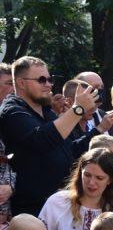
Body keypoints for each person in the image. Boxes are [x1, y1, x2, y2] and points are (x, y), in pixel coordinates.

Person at [0, 56, 98, 215]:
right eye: (41, 80)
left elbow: (71, 150)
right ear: (21, 83)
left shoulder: (47, 112)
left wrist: (100, 133)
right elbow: (42, 140)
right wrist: (78, 110)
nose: (48, 84)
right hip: (33, 211)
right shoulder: (12, 111)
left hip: (62, 205)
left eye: (49, 79)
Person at [61, 79, 113, 157]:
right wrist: (100, 129)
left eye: (93, 101)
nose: (93, 107)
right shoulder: (62, 127)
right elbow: (72, 152)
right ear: (69, 102)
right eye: (86, 102)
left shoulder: (91, 124)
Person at [0, 63, 16, 225]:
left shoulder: (16, 116)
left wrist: (11, 186)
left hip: (8, 206)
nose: (13, 89)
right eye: (9, 83)